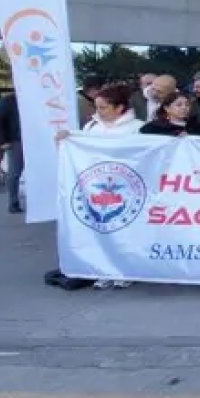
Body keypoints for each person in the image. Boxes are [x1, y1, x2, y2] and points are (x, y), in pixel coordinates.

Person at [72, 84, 144, 289]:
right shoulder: (91, 127)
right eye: (97, 107)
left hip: (126, 187)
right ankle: (102, 269)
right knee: (99, 229)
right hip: (95, 186)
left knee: (124, 230)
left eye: (103, 107)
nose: (98, 111)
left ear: (119, 108)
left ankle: (125, 269)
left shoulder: (137, 128)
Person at [0, 93, 22, 214]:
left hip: (30, 139)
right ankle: (13, 202)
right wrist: (2, 141)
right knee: (14, 173)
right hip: (15, 140)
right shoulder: (9, 100)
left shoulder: (32, 99)